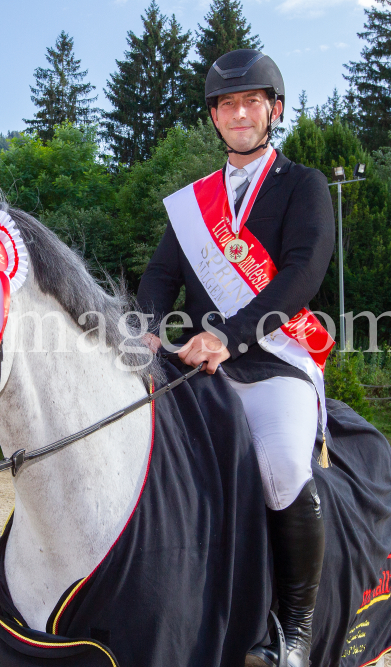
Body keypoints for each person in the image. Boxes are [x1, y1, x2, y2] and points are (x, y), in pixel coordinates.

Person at [136, 49, 335, 667]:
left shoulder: (303, 185)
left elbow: (302, 273)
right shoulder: (193, 204)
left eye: (252, 101)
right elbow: (160, 274)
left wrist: (232, 336)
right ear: (215, 118)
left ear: (274, 109)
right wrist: (143, 330)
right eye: (227, 104)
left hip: (274, 360)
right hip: (197, 367)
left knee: (279, 467)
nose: (239, 113)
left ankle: (294, 629)